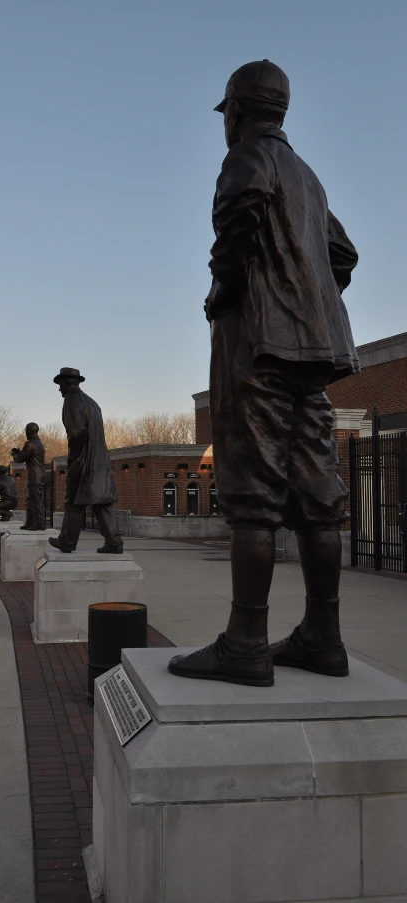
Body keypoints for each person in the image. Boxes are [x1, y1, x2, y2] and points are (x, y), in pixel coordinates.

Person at [169, 60, 359, 687]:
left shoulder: (248, 156)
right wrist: (310, 295)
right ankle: (323, 638)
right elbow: (343, 254)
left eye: (228, 115)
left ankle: (247, 641)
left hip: (259, 344)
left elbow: (241, 217)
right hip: (315, 351)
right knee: (319, 496)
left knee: (251, 495)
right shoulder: (309, 178)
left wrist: (226, 288)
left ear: (239, 112)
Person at [48, 368, 123, 554]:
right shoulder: (92, 403)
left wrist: (73, 460)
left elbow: (77, 433)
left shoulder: (71, 400)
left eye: (60, 385)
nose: (59, 389)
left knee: (73, 500)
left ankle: (67, 541)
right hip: (100, 461)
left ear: (67, 382)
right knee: (101, 502)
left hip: (83, 460)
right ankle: (114, 542)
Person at [11, 423, 46, 531]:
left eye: (26, 430)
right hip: (40, 476)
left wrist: (14, 454)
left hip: (35, 477)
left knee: (36, 501)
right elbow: (27, 456)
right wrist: (20, 453)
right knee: (30, 501)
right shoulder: (39, 443)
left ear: (29, 431)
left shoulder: (29, 444)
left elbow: (21, 459)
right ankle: (30, 523)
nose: (25, 433)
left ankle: (39, 524)